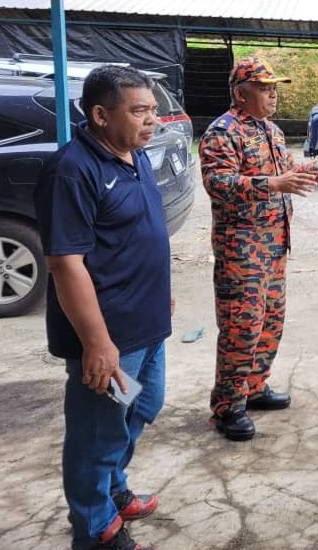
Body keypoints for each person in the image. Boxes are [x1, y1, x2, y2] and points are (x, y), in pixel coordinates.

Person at [35, 65, 171, 550]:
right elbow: (65, 261)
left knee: (143, 404)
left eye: (153, 109)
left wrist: (161, 291)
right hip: (109, 335)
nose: (152, 119)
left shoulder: (135, 156)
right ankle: (93, 526)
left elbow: (138, 234)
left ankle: (112, 489)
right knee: (98, 430)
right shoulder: (73, 169)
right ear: (99, 114)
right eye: (139, 111)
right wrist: (96, 343)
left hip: (147, 323)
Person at [200, 56, 318, 441]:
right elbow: (218, 183)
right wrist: (272, 186)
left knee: (270, 324)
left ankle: (254, 388)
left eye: (275, 87)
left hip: (273, 249)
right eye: (265, 87)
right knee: (242, 329)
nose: (273, 94)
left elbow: (287, 167)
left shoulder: (268, 130)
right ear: (241, 93)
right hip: (242, 252)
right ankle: (228, 406)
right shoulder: (222, 133)